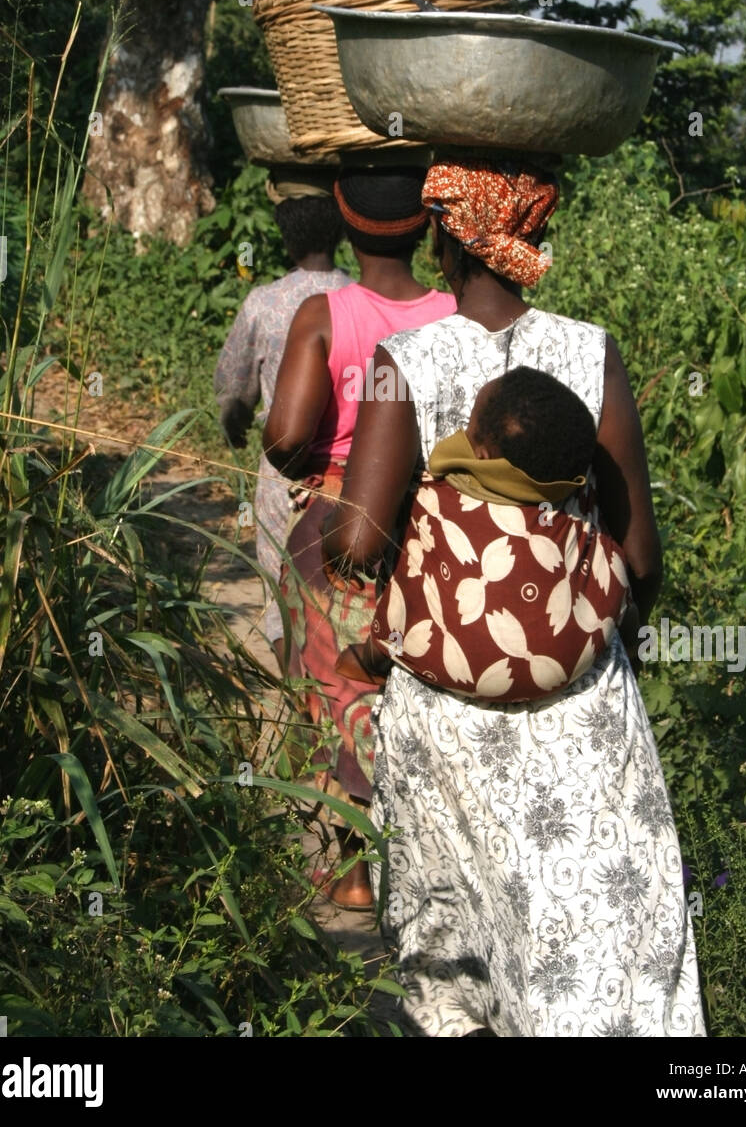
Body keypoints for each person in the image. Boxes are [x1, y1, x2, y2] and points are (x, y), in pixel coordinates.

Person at [322, 157, 705, 1035]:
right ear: (532, 234)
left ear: (445, 241)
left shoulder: (405, 360)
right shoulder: (588, 349)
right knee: (598, 937)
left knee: (458, 942)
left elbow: (356, 545)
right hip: (579, 698)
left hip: (446, 711)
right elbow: (639, 555)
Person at [263, 165, 456, 909]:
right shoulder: (454, 311)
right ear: (427, 227)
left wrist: (313, 458)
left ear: (343, 219)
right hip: (434, 521)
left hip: (339, 519)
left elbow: (284, 436)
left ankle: (352, 868)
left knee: (338, 683)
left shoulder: (324, 314)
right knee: (415, 676)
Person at [337, 366, 637, 701]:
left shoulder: (435, 493)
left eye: (471, 428)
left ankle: (374, 657)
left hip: (441, 659)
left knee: (411, 551)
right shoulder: (575, 494)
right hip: (568, 659)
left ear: (482, 455)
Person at [213, 171, 351, 664]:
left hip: (284, 479)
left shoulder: (264, 303)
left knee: (283, 599)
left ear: (284, 235)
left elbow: (234, 393)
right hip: (354, 477)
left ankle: (297, 707)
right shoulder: (359, 299)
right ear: (341, 231)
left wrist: (236, 423)